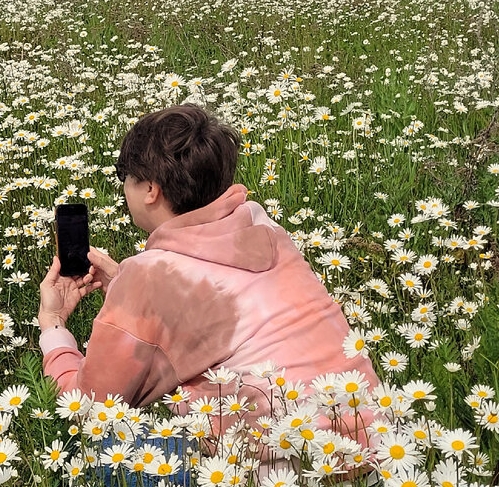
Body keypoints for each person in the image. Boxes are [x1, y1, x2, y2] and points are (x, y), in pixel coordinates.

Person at [38, 105, 379, 438]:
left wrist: (53, 325)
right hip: (375, 438)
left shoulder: (151, 275)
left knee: (100, 451)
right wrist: (121, 288)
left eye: (123, 177)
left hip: (284, 465)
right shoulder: (264, 228)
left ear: (150, 190)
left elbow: (90, 408)